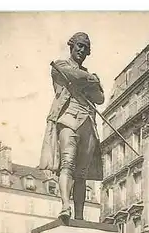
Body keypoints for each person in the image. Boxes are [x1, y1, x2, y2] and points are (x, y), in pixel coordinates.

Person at [39, 32, 104, 221]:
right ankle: (65, 206)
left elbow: (100, 98)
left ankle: (79, 216)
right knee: (67, 163)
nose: (82, 50)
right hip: (67, 119)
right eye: (79, 45)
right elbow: (74, 76)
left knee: (82, 173)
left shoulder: (86, 74)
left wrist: (89, 81)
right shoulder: (60, 66)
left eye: (85, 47)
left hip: (88, 124)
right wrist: (92, 80)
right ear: (71, 46)